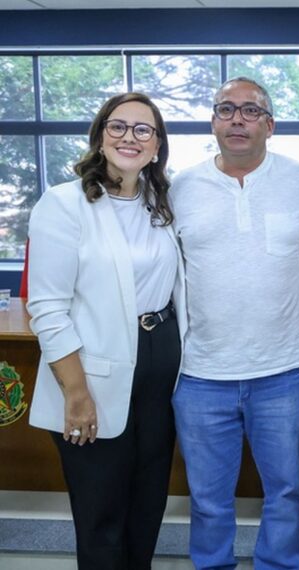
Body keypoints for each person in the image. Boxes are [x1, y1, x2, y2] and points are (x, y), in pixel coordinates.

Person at [170, 77, 299, 569]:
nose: (237, 119)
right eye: (226, 109)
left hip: (283, 372)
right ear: (213, 122)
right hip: (200, 375)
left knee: (284, 492)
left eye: (250, 111)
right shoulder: (181, 188)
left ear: (271, 125)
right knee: (208, 499)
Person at [27, 92, 186, 568]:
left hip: (160, 365)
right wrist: (76, 393)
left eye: (144, 129)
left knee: (146, 509)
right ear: (99, 136)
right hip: (92, 372)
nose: (130, 137)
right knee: (102, 519)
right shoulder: (63, 204)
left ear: (157, 146)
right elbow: (48, 309)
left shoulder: (161, 201)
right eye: (118, 126)